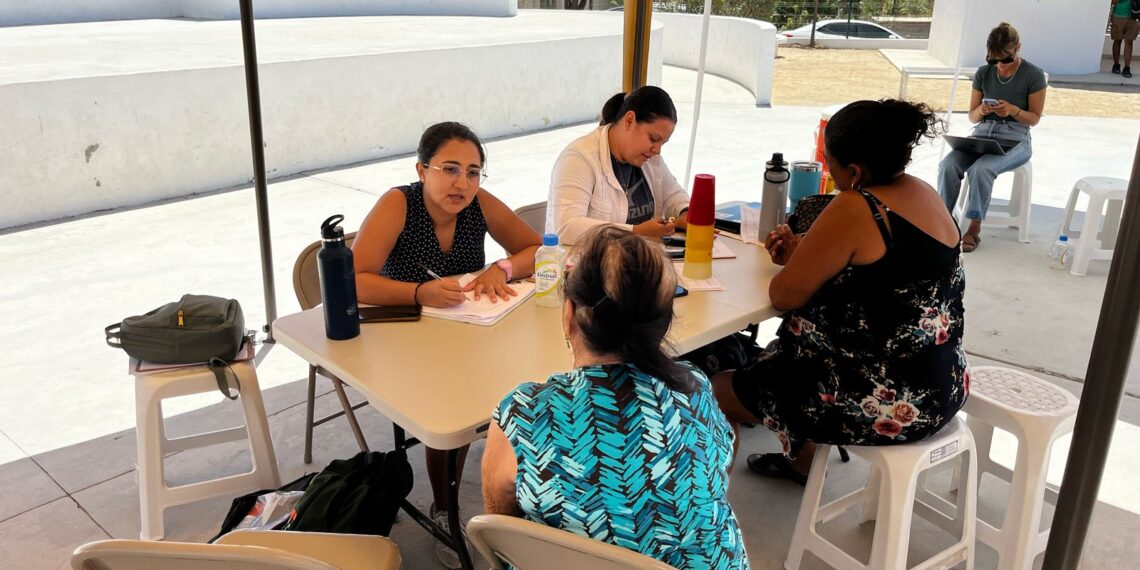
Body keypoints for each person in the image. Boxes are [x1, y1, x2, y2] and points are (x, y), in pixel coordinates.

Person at [711, 100, 969, 484]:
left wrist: (800, 261)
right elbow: (883, 280)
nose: (829, 173)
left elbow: (784, 296)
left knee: (714, 388)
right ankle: (801, 463)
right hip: (943, 385)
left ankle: (705, 514)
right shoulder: (924, 193)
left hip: (886, 403)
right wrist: (807, 255)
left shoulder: (857, 206)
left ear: (854, 171)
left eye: (830, 165)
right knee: (793, 360)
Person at [482, 226, 749, 569]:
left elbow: (503, 530)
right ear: (663, 324)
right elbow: (714, 473)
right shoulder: (694, 388)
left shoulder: (524, 414)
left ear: (569, 316)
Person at [352, 121, 541, 568]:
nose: (463, 183)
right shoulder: (399, 203)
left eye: (474, 172)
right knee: (448, 406)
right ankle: (444, 509)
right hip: (404, 336)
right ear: (422, 170)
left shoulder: (477, 204)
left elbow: (536, 248)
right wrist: (417, 292)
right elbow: (355, 279)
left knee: (529, 379)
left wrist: (502, 267)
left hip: (468, 332)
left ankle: (524, 494)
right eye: (450, 169)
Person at [937, 22, 1047, 252]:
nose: (1000, 65)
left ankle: (974, 228)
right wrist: (982, 111)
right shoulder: (983, 73)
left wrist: (1014, 111)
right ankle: (944, 222)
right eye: (993, 59)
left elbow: (1034, 118)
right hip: (983, 133)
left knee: (981, 169)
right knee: (948, 164)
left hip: (1016, 137)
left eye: (1005, 60)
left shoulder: (1033, 75)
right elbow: (972, 116)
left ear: (1018, 48)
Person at [547, 86, 691, 245]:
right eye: (653, 138)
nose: (657, 150)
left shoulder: (651, 159)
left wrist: (686, 214)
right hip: (586, 265)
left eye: (663, 143)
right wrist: (635, 232)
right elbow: (566, 227)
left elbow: (675, 195)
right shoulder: (579, 158)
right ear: (629, 120)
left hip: (639, 258)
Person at [1111, 0, 1138, 78]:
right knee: (1117, 40)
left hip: (1134, 16)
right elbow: (1112, 1)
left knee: (1129, 41)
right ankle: (1116, 65)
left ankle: (1127, 68)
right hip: (1118, 15)